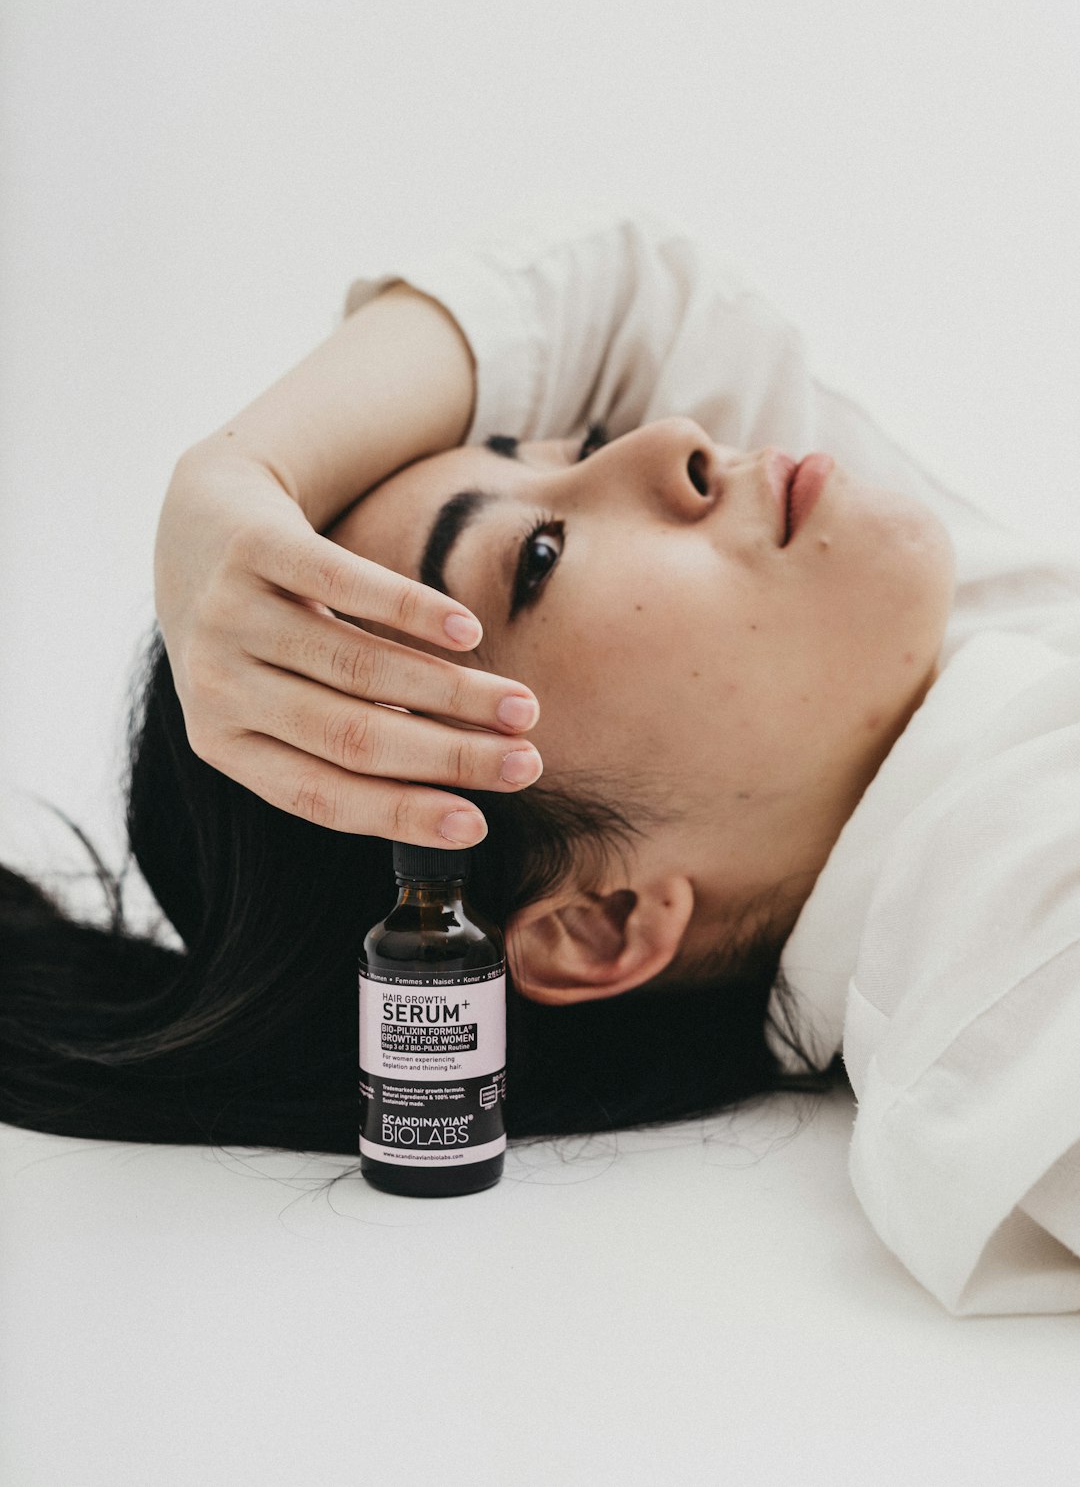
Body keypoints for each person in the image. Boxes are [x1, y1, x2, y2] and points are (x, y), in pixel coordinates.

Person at [3, 199, 1079, 1317]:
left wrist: (235, 473)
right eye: (541, 559)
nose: (671, 441)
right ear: (598, 924)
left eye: (575, 448)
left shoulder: (917, 649)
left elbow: (616, 302)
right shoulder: (1023, 975)